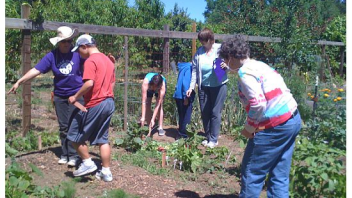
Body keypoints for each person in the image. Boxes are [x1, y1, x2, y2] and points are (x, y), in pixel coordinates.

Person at [218, 35, 302, 197]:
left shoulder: (245, 73)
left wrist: (250, 127)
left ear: (229, 57)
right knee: (279, 174)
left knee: (252, 173)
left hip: (274, 126)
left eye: (226, 60)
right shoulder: (259, 65)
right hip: (292, 120)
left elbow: (258, 104)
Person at [8, 26, 83, 166]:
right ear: (58, 42)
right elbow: (36, 70)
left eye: (69, 40)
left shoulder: (78, 54)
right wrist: (20, 81)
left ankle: (74, 155)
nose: (67, 44)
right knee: (64, 126)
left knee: (75, 125)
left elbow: (94, 61)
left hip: (77, 95)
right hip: (60, 96)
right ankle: (65, 153)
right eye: (63, 41)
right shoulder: (52, 56)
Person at [66, 34, 115, 182]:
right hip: (109, 102)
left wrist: (75, 97)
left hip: (96, 102)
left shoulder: (90, 60)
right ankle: (106, 172)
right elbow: (112, 84)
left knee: (73, 135)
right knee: (103, 138)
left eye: (79, 50)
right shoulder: (108, 61)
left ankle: (87, 163)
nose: (79, 53)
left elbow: (89, 84)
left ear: (84, 46)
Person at [186, 28, 229, 148]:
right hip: (203, 87)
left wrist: (226, 65)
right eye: (200, 41)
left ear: (210, 40)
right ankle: (208, 137)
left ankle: (214, 139)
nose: (202, 44)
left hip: (219, 86)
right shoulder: (199, 53)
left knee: (215, 112)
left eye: (203, 41)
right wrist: (191, 87)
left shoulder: (220, 49)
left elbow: (231, 61)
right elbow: (194, 70)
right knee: (205, 112)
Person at [173, 62, 195, 139]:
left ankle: (180, 132)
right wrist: (186, 98)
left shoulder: (183, 67)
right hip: (184, 96)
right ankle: (184, 135)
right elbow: (185, 84)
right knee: (186, 116)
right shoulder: (189, 68)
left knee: (181, 115)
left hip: (178, 95)